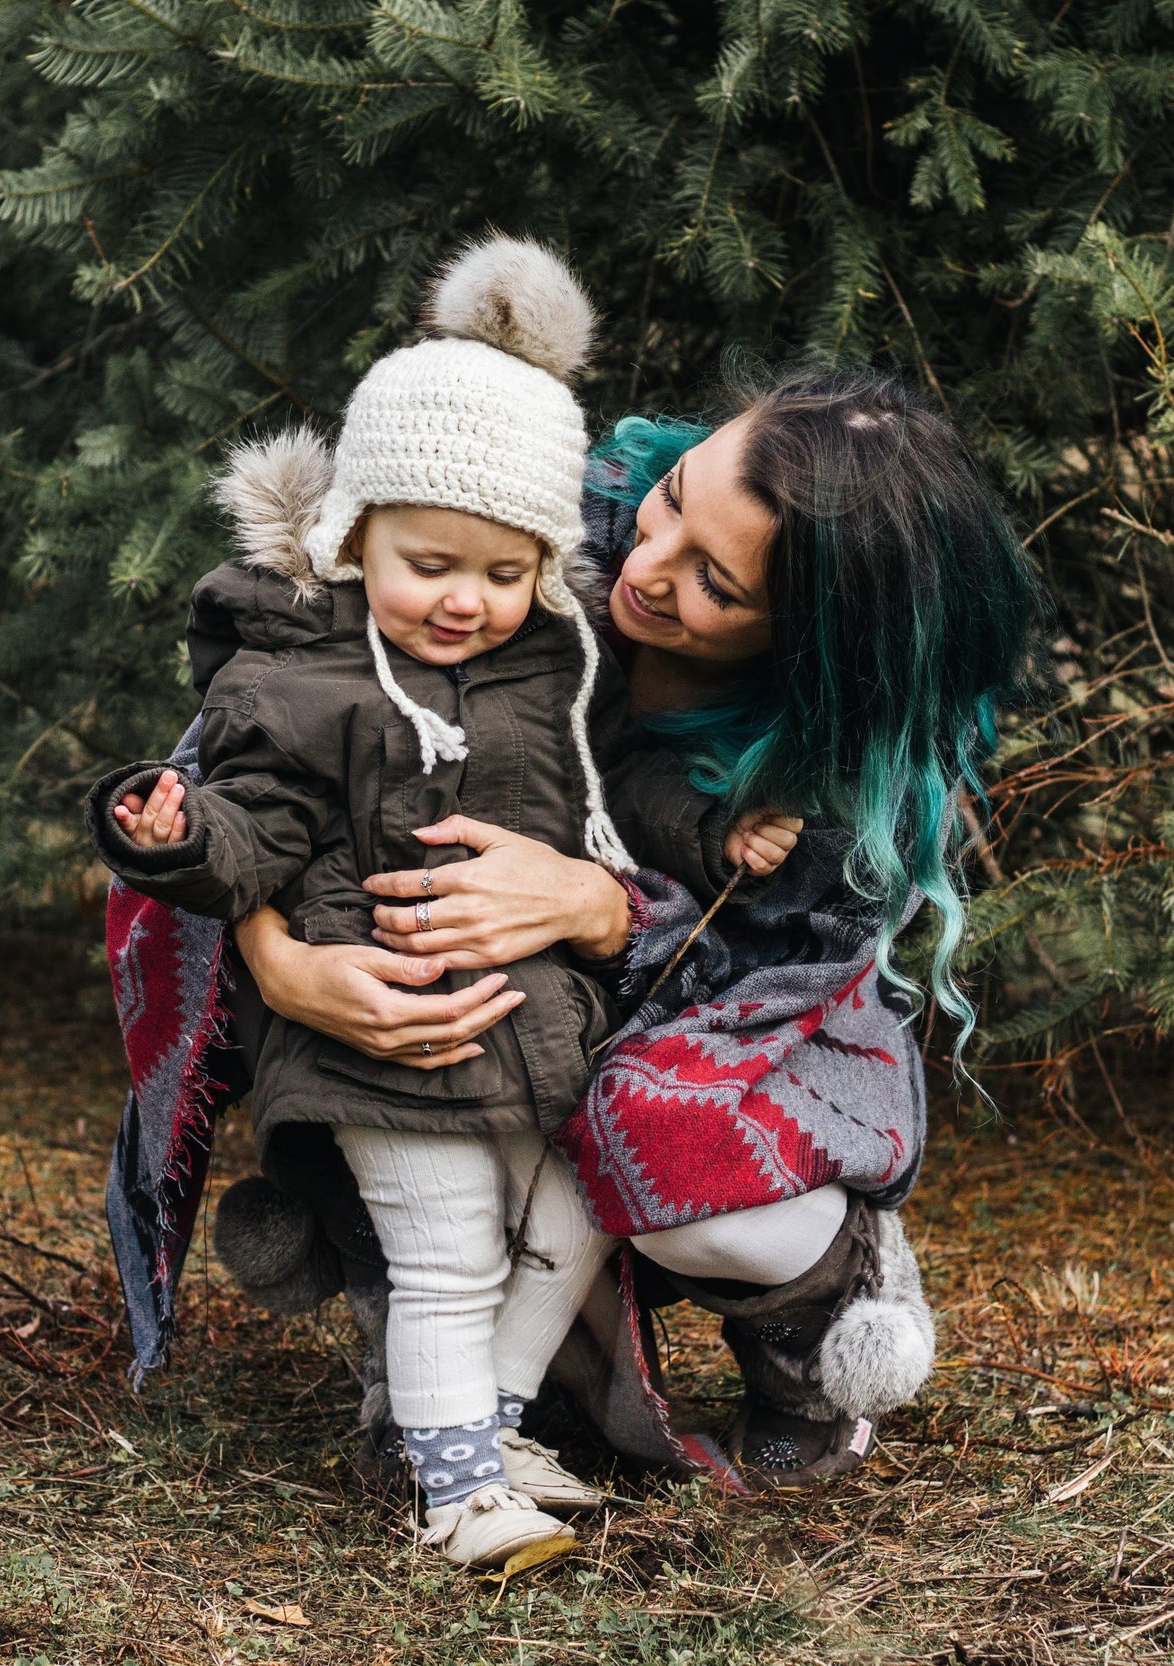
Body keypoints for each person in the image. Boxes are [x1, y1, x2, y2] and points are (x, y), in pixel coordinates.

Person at [105, 273, 1048, 1493]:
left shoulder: (836, 770)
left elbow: (767, 973)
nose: (645, 564)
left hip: (686, 1030)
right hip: (458, 979)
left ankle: (819, 1303)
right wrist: (277, 957)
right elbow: (269, 736)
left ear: (812, 645)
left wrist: (602, 907)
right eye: (672, 498)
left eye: (716, 584)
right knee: (403, 1073)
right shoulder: (544, 510)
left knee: (669, 1161)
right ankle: (452, 1363)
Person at [89, 238, 800, 1566]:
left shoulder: (555, 668)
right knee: (451, 1251)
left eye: (504, 572)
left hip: (531, 1023)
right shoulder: (303, 680)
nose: (466, 601)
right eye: (430, 564)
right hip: (383, 1021)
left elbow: (619, 794)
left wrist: (712, 834)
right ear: (355, 534)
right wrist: (179, 839)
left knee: (580, 1209)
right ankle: (459, 1495)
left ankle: (493, 1425)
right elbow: (255, 829)